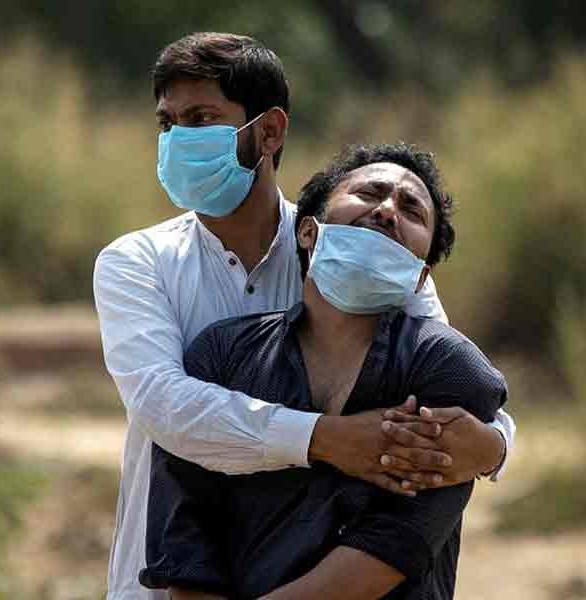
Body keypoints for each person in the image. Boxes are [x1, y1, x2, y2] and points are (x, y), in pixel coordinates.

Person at [93, 32, 516, 600]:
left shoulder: (358, 251)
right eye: (168, 123)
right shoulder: (136, 263)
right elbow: (164, 407)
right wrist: (329, 438)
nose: (177, 140)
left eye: (201, 118)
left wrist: (494, 447)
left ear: (269, 131)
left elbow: (454, 382)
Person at [140, 143, 507, 600]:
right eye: (371, 193)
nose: (389, 210)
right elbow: (187, 538)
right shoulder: (223, 355)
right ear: (309, 232)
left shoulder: (445, 368)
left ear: (420, 277)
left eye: (412, 210)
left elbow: (396, 544)